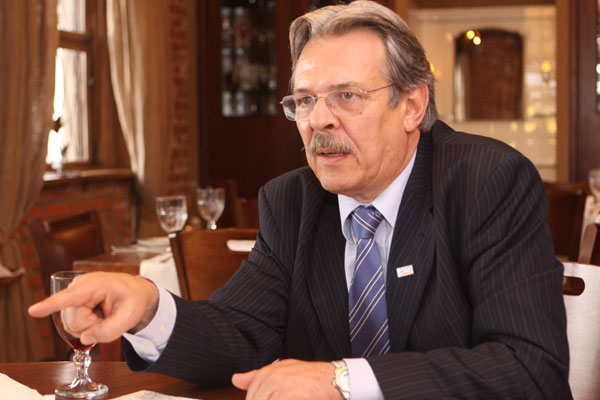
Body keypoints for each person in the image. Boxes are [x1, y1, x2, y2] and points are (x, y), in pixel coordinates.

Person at [29, 1, 571, 399]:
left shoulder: (486, 181)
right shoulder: (292, 200)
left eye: (346, 96)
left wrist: (341, 380)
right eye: (305, 100)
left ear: (412, 106)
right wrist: (149, 307)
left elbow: (529, 367)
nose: (319, 120)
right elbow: (241, 333)